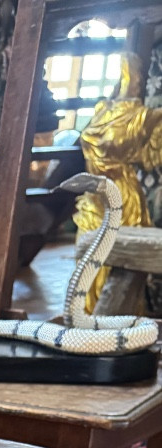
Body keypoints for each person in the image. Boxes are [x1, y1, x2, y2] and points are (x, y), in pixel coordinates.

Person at [75, 53, 162, 311]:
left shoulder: (143, 116)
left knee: (117, 265)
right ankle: (84, 321)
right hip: (94, 196)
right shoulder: (103, 109)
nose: (132, 80)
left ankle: (114, 323)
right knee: (86, 261)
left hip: (121, 198)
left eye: (135, 74)